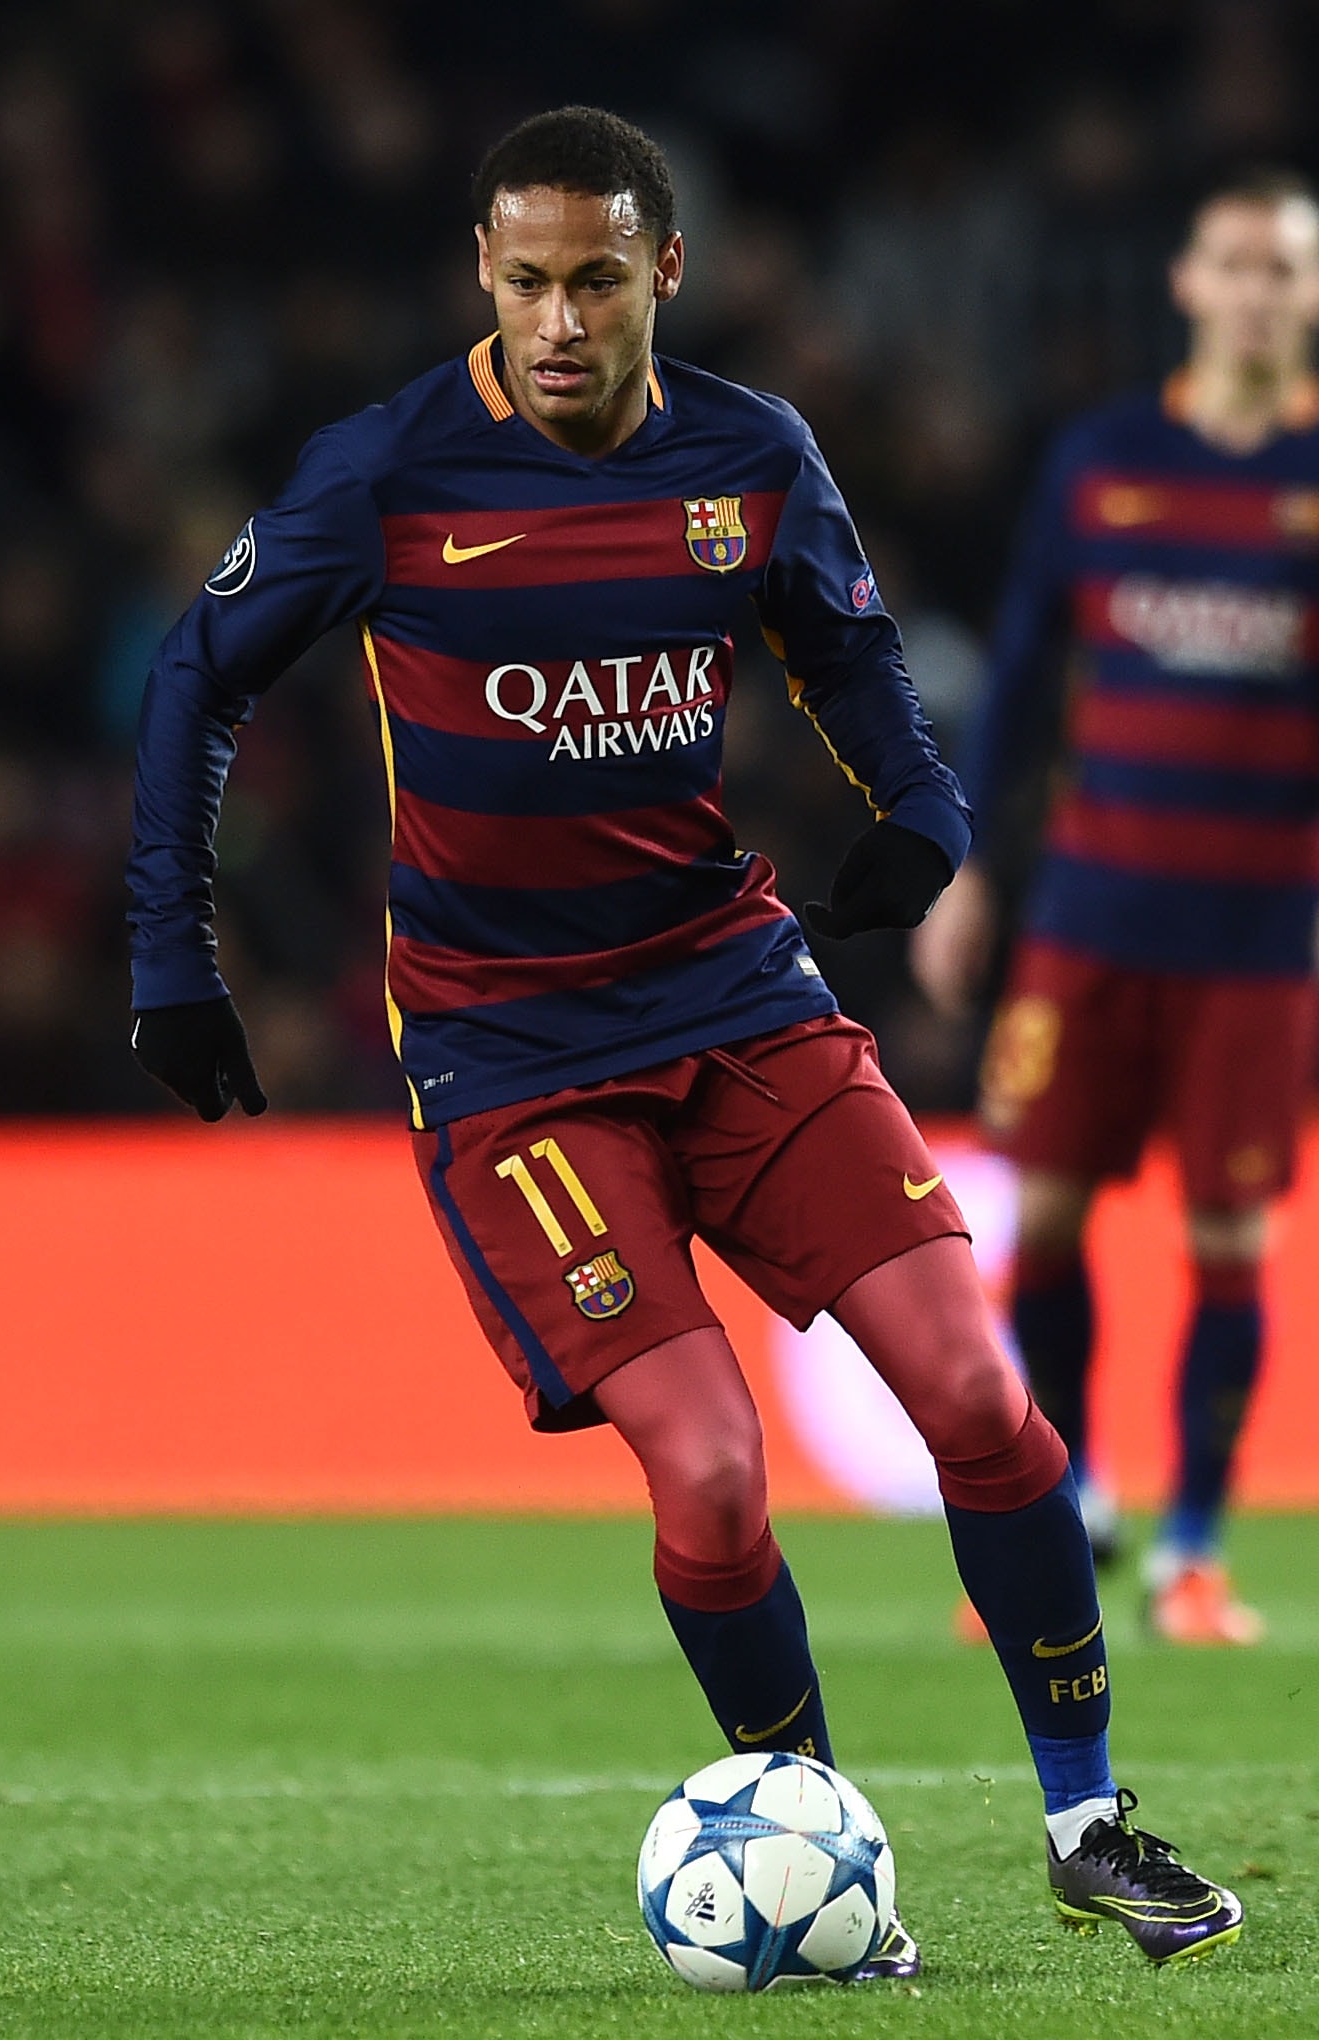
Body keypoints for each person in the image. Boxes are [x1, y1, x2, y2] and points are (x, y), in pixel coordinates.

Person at [127, 106, 1242, 1971]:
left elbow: (852, 654)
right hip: (513, 1061)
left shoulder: (752, 454)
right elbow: (195, 676)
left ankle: (1089, 1823)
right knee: (714, 1474)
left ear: (665, 270)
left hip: (740, 1001)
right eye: (526, 282)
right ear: (484, 275)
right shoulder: (387, 472)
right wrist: (173, 955)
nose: (560, 321)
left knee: (982, 1399)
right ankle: (823, 1851)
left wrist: (923, 812)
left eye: (596, 280)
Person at [913, 169, 1319, 1646]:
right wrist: (965, 866)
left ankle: (1193, 1550)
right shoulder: (1104, 462)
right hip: (1091, 919)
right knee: (1049, 1218)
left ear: (1311, 296)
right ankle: (1066, 1515)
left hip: (1257, 937)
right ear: (1189, 284)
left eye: (1285, 268)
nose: (1258, 291)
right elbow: (1023, 676)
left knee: (1231, 1237)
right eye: (1236, 264)